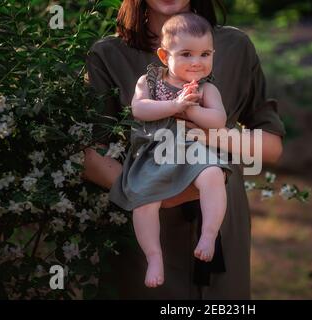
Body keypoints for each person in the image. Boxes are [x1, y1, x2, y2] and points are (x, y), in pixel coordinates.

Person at [84, 0, 285, 299]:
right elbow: (88, 155)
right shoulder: (108, 54)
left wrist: (212, 137)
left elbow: (270, 147)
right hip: (142, 218)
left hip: (220, 221)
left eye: (204, 54)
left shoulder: (235, 46)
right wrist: (155, 193)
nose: (197, 59)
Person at [116, 12, 232, 288]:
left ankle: (209, 233)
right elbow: (140, 109)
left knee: (214, 174)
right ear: (163, 55)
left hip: (193, 150)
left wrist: (191, 108)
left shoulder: (206, 90)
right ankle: (154, 256)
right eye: (187, 54)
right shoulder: (149, 82)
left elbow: (218, 120)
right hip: (155, 153)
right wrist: (174, 106)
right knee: (144, 202)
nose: (197, 62)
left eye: (205, 54)